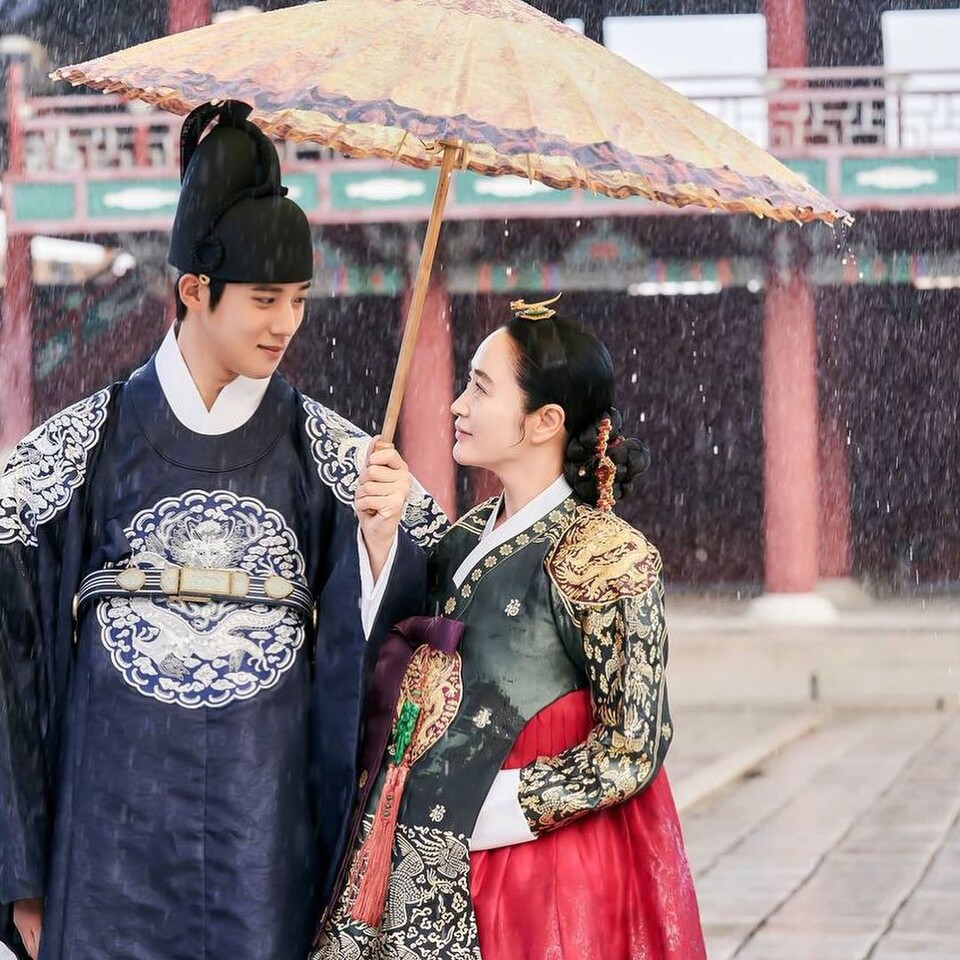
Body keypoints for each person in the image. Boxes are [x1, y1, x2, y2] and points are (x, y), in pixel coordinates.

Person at [0, 101, 445, 960]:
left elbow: (404, 637)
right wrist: (20, 873)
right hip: (107, 848)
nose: (287, 324)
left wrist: (382, 545)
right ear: (194, 291)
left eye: (300, 300)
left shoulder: (333, 456)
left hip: (263, 845)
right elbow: (7, 656)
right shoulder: (81, 450)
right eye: (266, 299)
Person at [312, 296, 706, 960]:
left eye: (480, 388)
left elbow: (634, 746)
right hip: (422, 845)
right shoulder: (465, 535)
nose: (457, 405)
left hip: (536, 863)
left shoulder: (606, 555)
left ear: (545, 420)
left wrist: (496, 805)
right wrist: (381, 538)